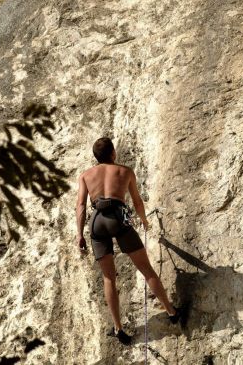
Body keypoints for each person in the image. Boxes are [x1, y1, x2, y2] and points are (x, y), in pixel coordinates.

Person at [76, 137, 182, 345]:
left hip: (97, 221)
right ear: (113, 153)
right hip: (118, 218)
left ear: (95, 157)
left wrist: (79, 235)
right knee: (146, 269)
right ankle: (171, 311)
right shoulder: (125, 171)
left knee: (109, 278)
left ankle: (118, 328)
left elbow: (80, 206)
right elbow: (136, 201)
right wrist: (143, 220)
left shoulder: (85, 175)